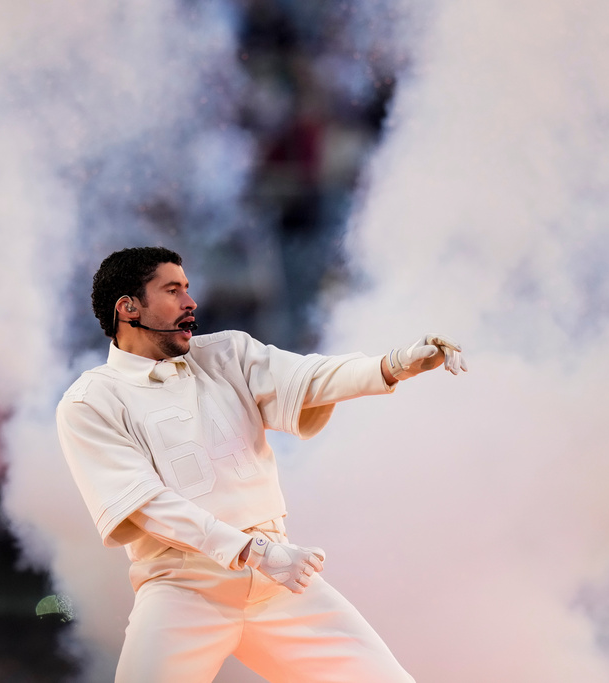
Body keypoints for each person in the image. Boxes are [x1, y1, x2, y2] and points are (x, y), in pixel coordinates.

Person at [57, 246, 465, 682]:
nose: (190, 302)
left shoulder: (227, 352)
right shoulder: (89, 401)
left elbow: (309, 377)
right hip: (183, 587)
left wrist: (394, 365)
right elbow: (147, 505)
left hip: (278, 581)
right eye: (173, 290)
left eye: (187, 289)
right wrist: (252, 552)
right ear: (128, 308)